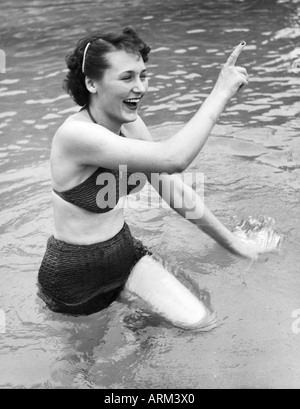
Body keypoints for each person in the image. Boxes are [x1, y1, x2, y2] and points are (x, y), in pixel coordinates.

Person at [38, 27, 256, 330]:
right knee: (79, 371)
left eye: (143, 75)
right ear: (91, 83)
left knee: (201, 323)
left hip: (124, 256)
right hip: (75, 278)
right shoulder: (75, 135)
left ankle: (138, 319)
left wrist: (235, 244)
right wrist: (220, 92)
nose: (140, 87)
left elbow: (173, 191)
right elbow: (174, 158)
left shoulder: (131, 124)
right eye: (127, 78)